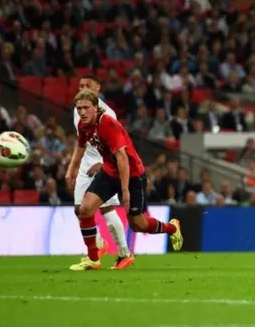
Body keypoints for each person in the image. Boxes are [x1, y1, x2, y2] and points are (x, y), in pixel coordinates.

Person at [66, 89, 184, 271]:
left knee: (138, 224)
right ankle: (93, 259)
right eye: (79, 108)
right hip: (109, 172)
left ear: (96, 108)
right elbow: (81, 145)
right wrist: (71, 169)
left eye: (86, 108)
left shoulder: (107, 124)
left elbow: (122, 157)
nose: (82, 112)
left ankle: (172, 228)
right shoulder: (84, 126)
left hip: (133, 174)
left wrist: (126, 191)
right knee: (85, 209)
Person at [71, 75, 133, 270]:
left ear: (97, 88)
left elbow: (114, 146)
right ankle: (98, 244)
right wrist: (72, 167)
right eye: (80, 85)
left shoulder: (108, 114)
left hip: (103, 163)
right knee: (79, 209)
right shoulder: (78, 109)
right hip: (85, 163)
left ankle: (124, 252)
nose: (82, 88)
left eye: (87, 85)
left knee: (106, 209)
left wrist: (101, 163)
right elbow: (82, 140)